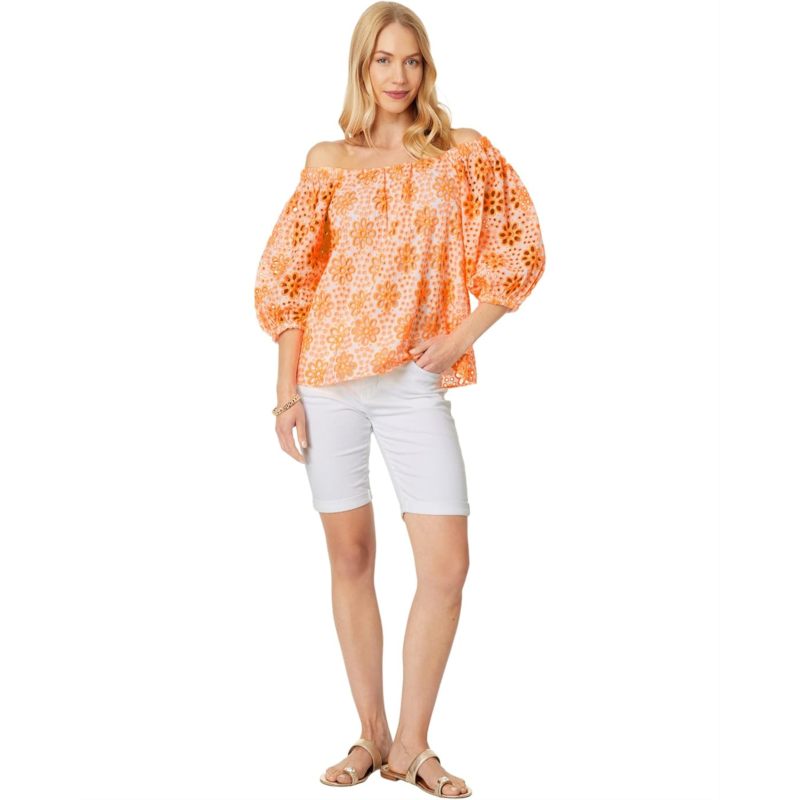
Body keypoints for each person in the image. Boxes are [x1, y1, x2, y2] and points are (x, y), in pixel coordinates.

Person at [254, 2, 545, 796]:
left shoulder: (460, 152)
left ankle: (413, 747)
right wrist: (284, 395)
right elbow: (289, 280)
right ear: (362, 66)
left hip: (414, 382)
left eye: (412, 60)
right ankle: (371, 734)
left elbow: (521, 247)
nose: (398, 75)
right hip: (327, 382)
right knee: (350, 559)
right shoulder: (328, 161)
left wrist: (459, 339)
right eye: (384, 59)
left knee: (447, 566)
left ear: (427, 68)